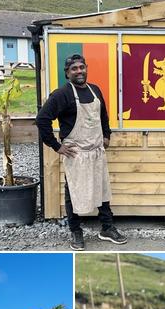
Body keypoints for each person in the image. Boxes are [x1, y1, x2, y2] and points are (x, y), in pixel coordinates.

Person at [35, 54, 127, 250]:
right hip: (76, 154)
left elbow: (103, 116)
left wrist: (107, 135)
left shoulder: (95, 90)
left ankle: (107, 228)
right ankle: (76, 232)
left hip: (96, 150)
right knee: (73, 193)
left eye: (81, 67)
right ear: (67, 73)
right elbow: (42, 119)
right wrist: (56, 146)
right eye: (74, 69)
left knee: (102, 190)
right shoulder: (62, 94)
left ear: (86, 68)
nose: (79, 71)